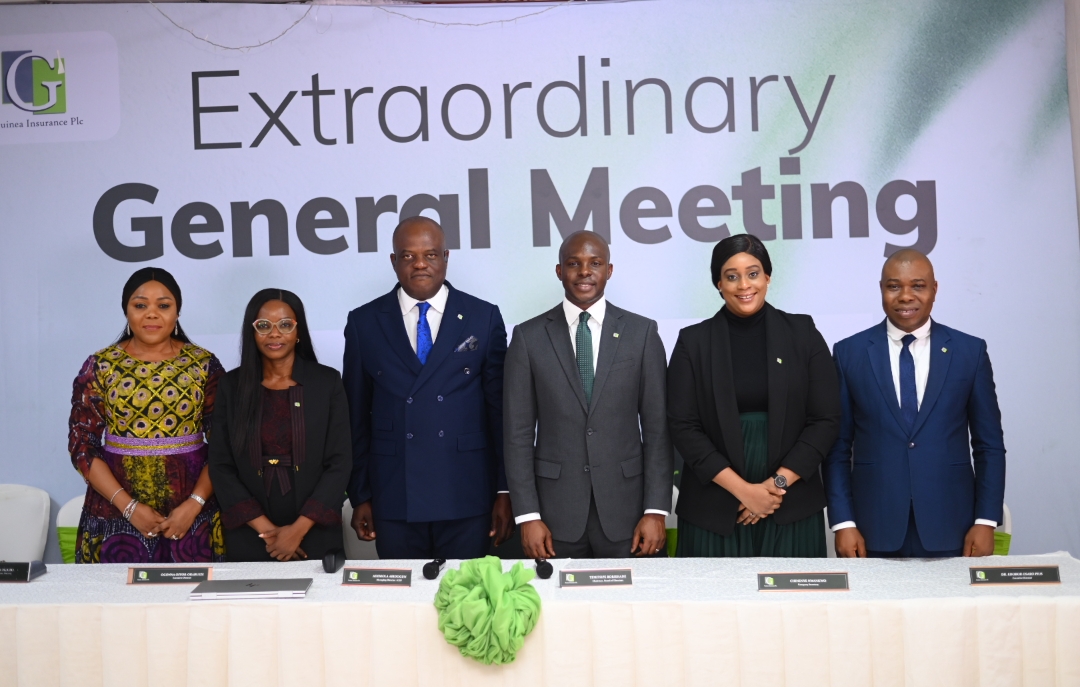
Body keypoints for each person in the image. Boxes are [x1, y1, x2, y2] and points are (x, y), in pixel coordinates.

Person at [343, 216, 513, 559]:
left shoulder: (483, 317)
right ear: (393, 261)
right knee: (403, 592)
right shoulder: (364, 322)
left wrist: (504, 490)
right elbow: (355, 418)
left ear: (446, 257)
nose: (420, 264)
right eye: (408, 256)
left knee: (466, 591)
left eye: (430, 254)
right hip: (394, 494)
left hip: (466, 491)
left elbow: (501, 415)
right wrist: (360, 494)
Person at [823, 249, 1006, 558]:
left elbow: (989, 445)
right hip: (871, 528)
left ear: (934, 289)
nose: (905, 296)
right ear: (881, 289)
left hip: (954, 525)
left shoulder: (969, 352)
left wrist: (986, 521)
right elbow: (837, 448)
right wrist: (843, 522)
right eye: (894, 286)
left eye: (918, 286)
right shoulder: (849, 353)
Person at [667, 234, 841, 557]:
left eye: (753, 273)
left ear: (768, 277)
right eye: (731, 276)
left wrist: (775, 487)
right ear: (718, 284)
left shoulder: (803, 333)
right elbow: (683, 426)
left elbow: (825, 419)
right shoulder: (693, 342)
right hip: (715, 509)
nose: (744, 285)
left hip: (790, 506)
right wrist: (745, 492)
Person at [504, 230, 673, 559]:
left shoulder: (642, 333)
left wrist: (655, 510)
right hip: (552, 517)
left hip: (629, 514)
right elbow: (517, 435)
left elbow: (657, 429)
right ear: (559, 271)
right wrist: (528, 515)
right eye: (573, 263)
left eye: (595, 263)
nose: (584, 271)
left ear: (609, 270)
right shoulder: (528, 337)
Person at [68, 268, 226, 563]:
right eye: (140, 305)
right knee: (116, 591)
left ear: (177, 312)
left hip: (191, 510)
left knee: (193, 591)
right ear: (126, 311)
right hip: (116, 509)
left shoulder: (203, 364)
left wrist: (194, 504)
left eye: (163, 305)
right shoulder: (100, 365)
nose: (152, 314)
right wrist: (128, 507)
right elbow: (82, 446)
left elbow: (224, 445)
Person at [208, 289, 352, 562]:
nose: (274, 334)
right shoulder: (231, 386)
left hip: (315, 530)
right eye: (264, 325)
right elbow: (221, 464)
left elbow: (340, 462)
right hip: (250, 532)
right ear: (252, 332)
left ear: (298, 332)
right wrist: (268, 533)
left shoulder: (327, 382)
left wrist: (297, 530)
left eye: (285, 325)